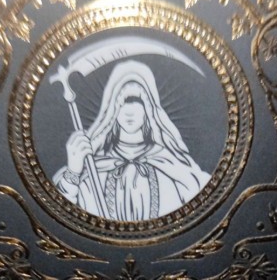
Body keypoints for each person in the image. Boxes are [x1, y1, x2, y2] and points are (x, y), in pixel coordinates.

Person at [54, 60, 210, 221]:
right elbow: (61, 215)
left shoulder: (170, 164)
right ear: (113, 108)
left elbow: (203, 204)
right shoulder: (93, 168)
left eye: (136, 101)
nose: (129, 111)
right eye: (123, 102)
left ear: (148, 108)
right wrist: (73, 171)